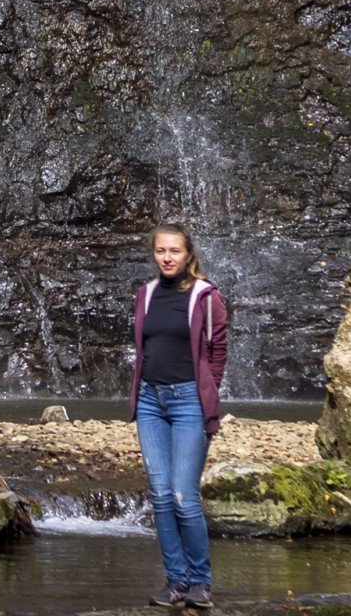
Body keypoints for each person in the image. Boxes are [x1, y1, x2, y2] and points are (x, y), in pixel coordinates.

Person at [131, 223, 228, 610]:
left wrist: (206, 391)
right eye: (160, 251)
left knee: (184, 497)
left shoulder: (206, 297)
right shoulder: (146, 294)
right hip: (149, 403)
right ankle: (175, 582)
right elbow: (142, 346)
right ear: (153, 254)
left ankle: (201, 583)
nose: (167, 257)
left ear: (188, 254)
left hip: (189, 400)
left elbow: (217, 351)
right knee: (160, 496)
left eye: (174, 251)